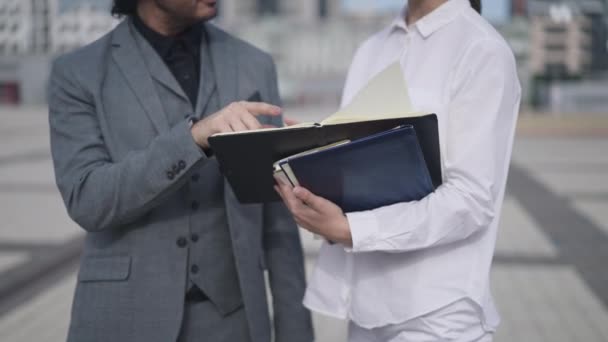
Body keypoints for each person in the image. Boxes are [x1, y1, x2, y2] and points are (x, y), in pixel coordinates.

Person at [48, 0, 313, 341]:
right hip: (120, 318)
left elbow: (277, 213)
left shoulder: (254, 64)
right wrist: (192, 140)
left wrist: (296, 332)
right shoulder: (76, 73)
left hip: (233, 324)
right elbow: (87, 199)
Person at [275, 0, 520, 341]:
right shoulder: (371, 49)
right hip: (364, 310)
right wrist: (317, 162)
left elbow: (471, 200)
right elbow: (360, 167)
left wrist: (352, 230)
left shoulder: (480, 49)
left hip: (438, 315)